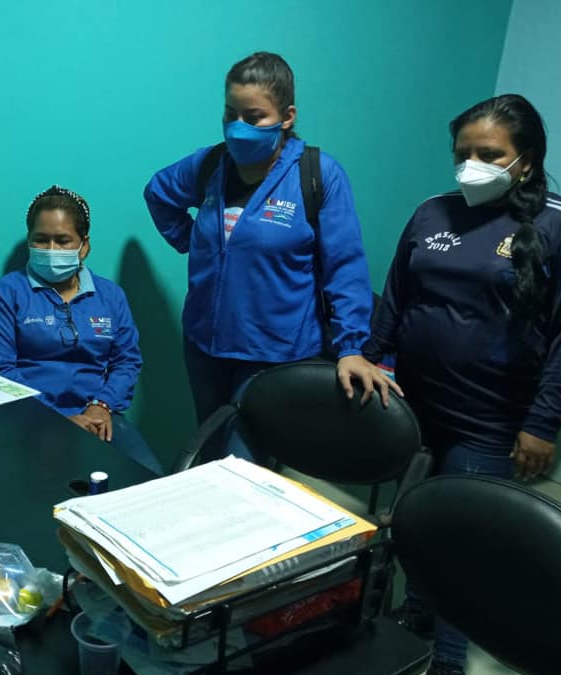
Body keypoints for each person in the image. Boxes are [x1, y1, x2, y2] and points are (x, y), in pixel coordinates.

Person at [364, 94, 561, 675]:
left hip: (490, 416)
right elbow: (397, 296)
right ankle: (418, 609)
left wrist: (542, 423)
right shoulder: (431, 212)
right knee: (415, 519)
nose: (472, 165)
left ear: (526, 160)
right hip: (413, 402)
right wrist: (368, 355)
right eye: (462, 152)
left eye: (489, 154)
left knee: (463, 541)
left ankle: (448, 664)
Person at [144, 51, 397, 425]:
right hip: (206, 347)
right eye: (230, 114)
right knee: (212, 443)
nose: (237, 128)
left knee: (252, 450)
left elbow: (345, 269)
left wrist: (351, 348)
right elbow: (159, 193)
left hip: (277, 354)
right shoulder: (210, 165)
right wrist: (193, 242)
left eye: (253, 117)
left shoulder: (317, 175)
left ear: (287, 117)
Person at [0, 185, 163, 475]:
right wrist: (57, 419)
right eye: (41, 240)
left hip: (98, 416)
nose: (51, 250)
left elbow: (126, 362)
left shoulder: (110, 296)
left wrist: (101, 405)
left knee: (149, 478)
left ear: (83, 246)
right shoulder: (5, 293)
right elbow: (0, 371)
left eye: (63, 241)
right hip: (27, 419)